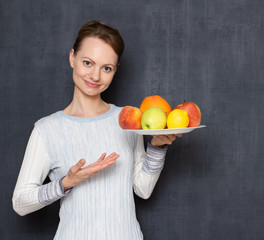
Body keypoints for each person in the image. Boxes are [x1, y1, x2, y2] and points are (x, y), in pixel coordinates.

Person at [12, 20, 180, 240]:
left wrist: (158, 148)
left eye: (106, 68)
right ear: (72, 57)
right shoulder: (47, 129)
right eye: (88, 63)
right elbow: (20, 203)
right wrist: (66, 183)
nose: (95, 76)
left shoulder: (127, 120)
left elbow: (142, 189)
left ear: (115, 70)